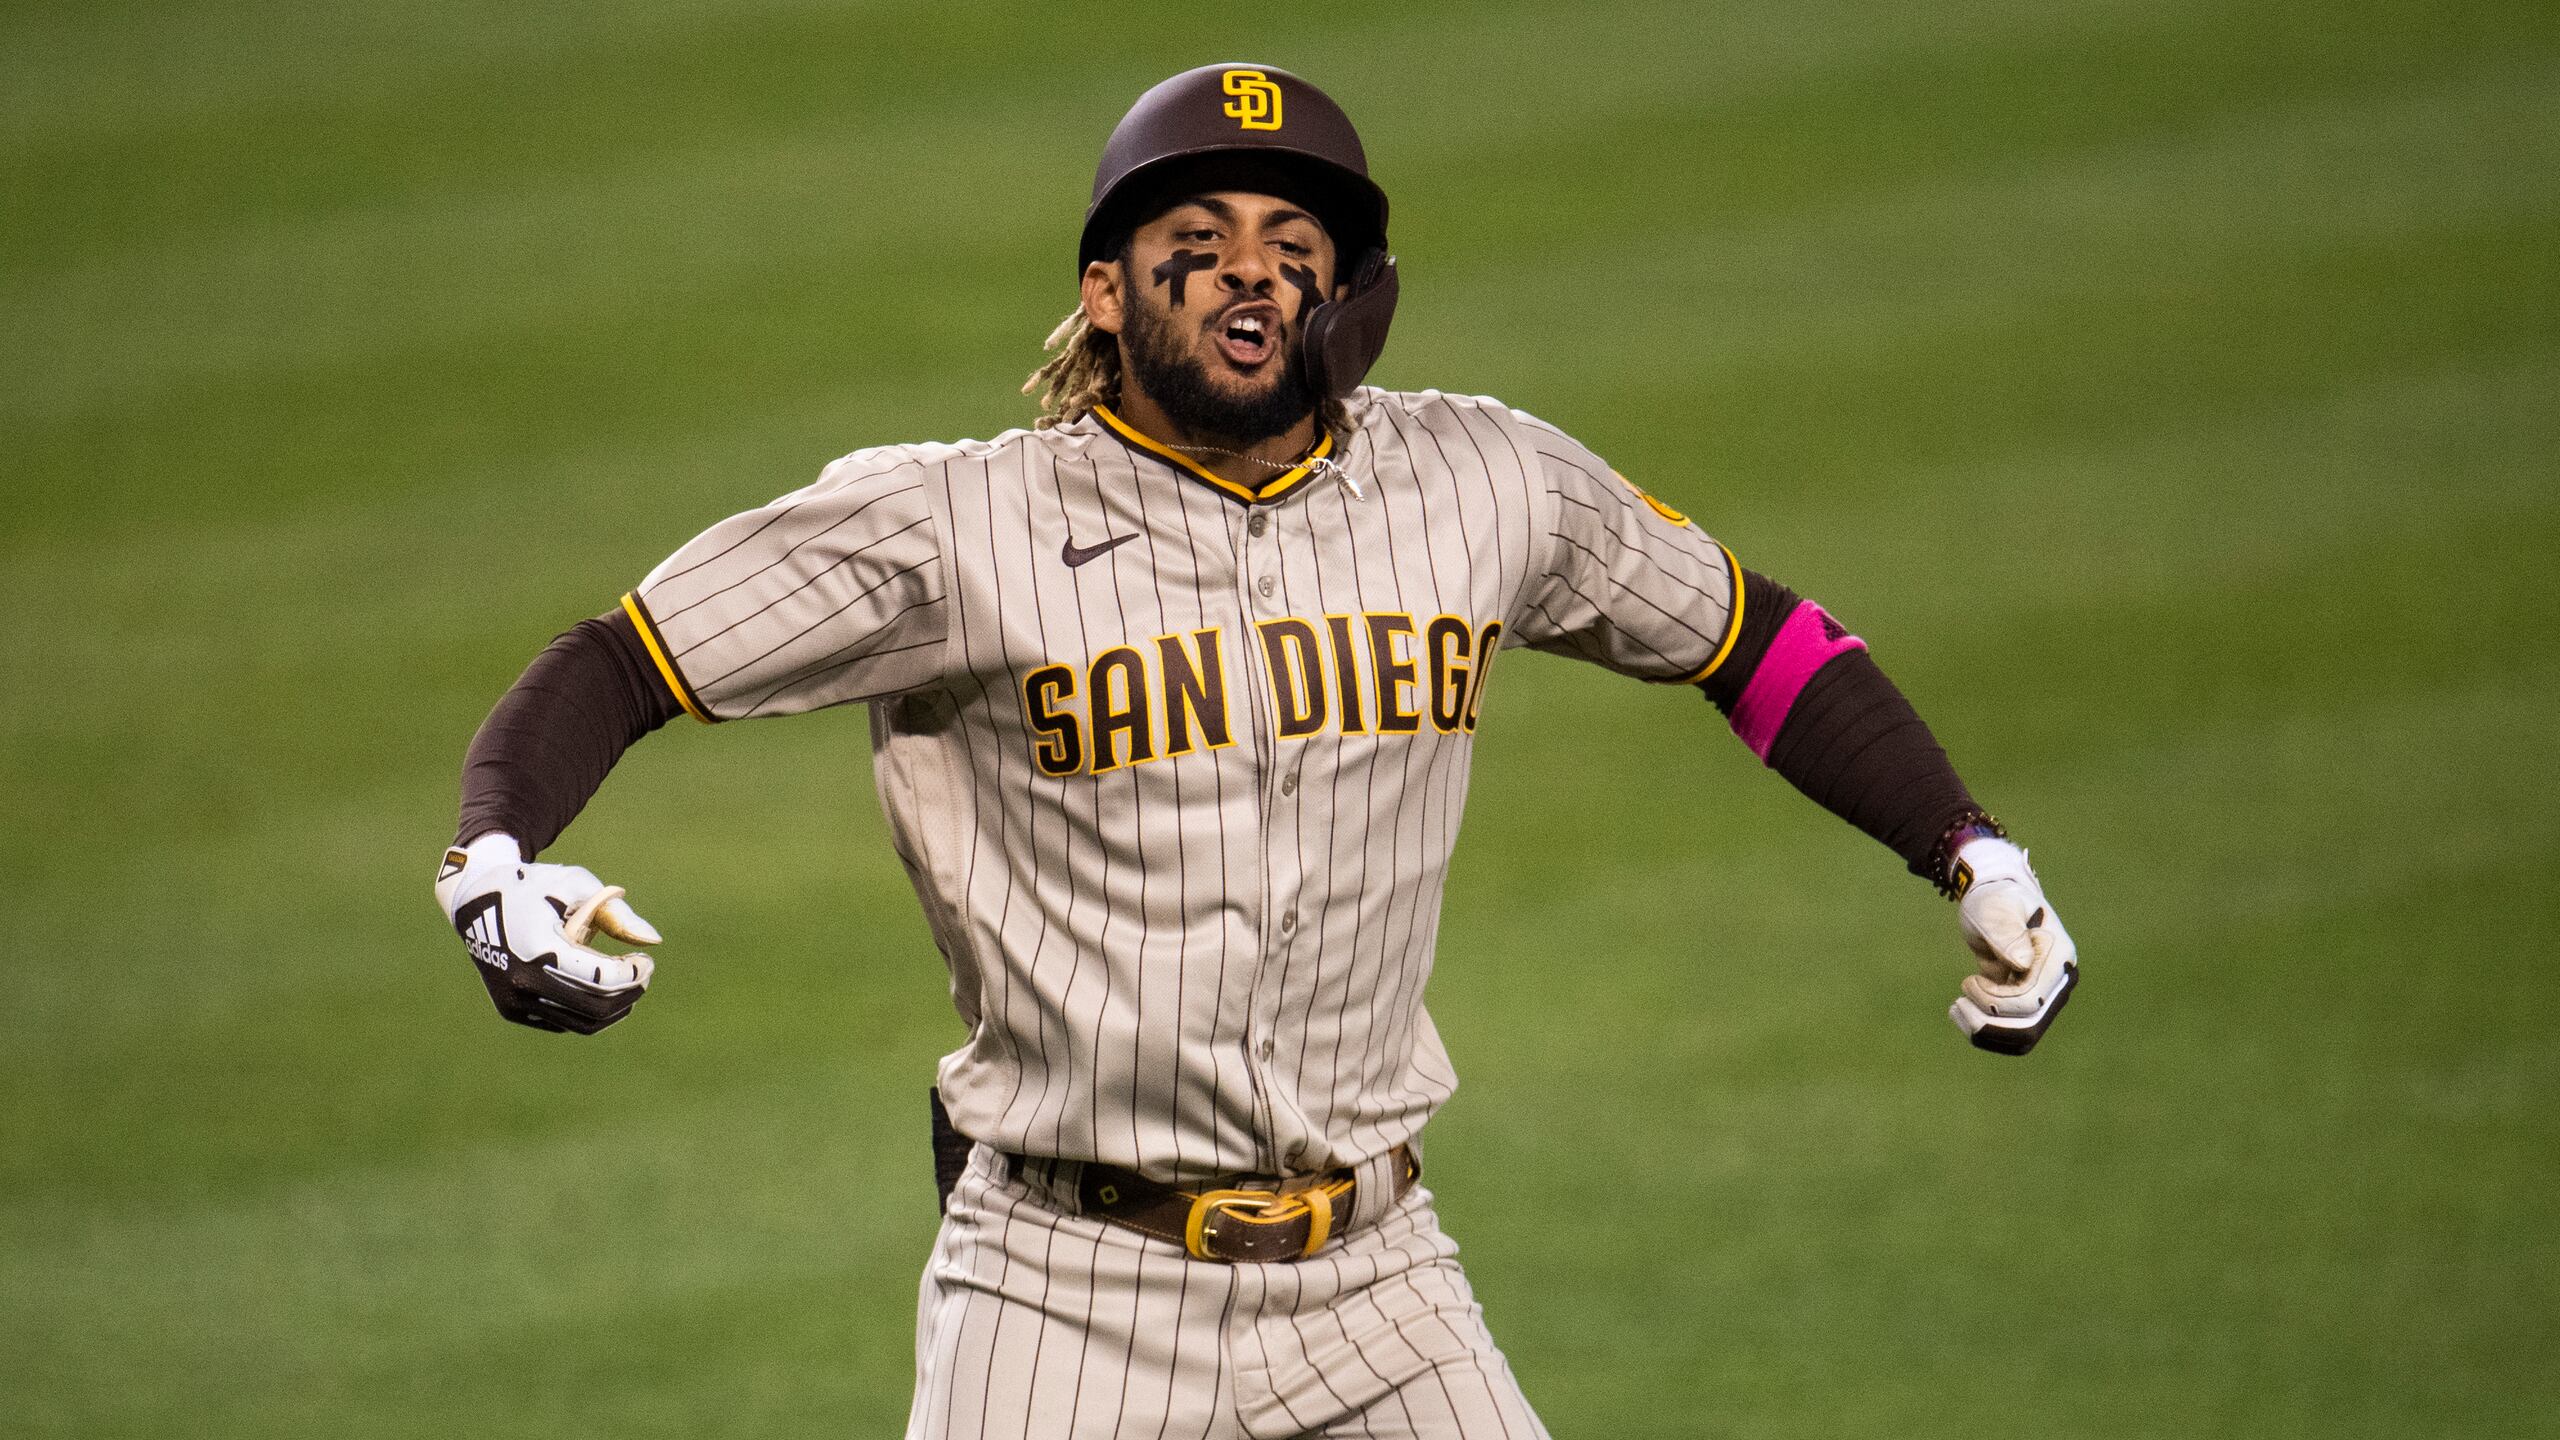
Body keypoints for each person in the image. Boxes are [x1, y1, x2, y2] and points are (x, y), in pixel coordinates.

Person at [434, 62, 2077, 1439]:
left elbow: (1754, 637)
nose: (1247, 269)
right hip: (1059, 1294)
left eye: (1293, 242)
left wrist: (1971, 849)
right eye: (1195, 237)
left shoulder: (1488, 485)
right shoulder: (955, 525)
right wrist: (496, 857)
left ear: (1345, 290)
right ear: (1106, 287)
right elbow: (624, 659)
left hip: (1379, 1283)